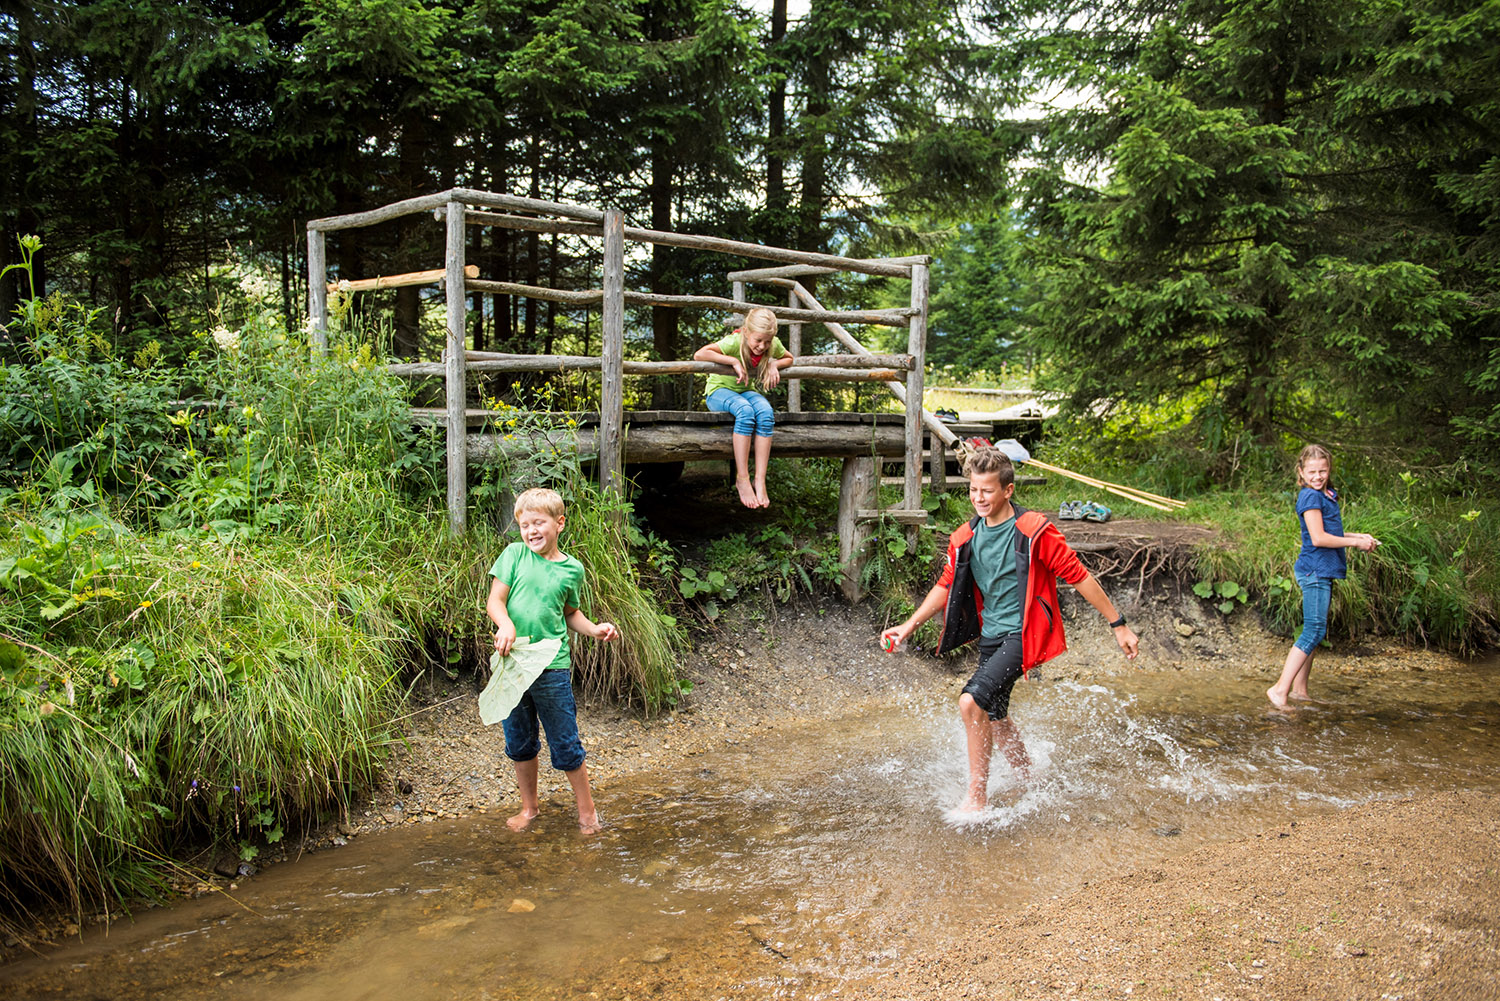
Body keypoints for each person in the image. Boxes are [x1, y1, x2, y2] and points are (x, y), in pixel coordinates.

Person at [881, 446, 1140, 812]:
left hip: (1024, 634)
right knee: (997, 717)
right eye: (973, 490)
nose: (978, 498)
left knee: (971, 702)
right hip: (992, 636)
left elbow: (1078, 576)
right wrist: (908, 627)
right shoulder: (965, 536)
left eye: (987, 490)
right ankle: (1029, 778)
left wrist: (1118, 625)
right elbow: (945, 584)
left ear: (1008, 491)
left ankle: (976, 798)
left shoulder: (1034, 531)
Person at [486, 487, 620, 833]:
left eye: (539, 522)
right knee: (518, 740)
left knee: (564, 741)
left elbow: (570, 613)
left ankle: (587, 812)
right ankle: (529, 808)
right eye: (524, 524)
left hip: (552, 667)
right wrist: (506, 625)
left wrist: (593, 630)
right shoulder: (514, 555)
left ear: (559, 523)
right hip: (513, 664)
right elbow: (495, 602)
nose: (531, 531)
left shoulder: (571, 569)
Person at [1266, 445, 1379, 709]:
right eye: (1312, 472)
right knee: (1314, 630)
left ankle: (1300, 691)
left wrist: (1357, 536)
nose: (1318, 477)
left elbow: (1330, 530)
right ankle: (1279, 689)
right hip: (1314, 569)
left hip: (1322, 569)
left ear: (1329, 470)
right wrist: (1354, 545)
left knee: (1314, 631)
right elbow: (1318, 538)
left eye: (1323, 471)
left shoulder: (1326, 495)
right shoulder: (1310, 497)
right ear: (1301, 472)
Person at [693, 306, 794, 509]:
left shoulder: (771, 344)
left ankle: (760, 479)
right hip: (718, 393)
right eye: (758, 341)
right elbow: (700, 354)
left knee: (765, 413)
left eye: (767, 342)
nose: (762, 346)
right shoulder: (734, 342)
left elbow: (789, 358)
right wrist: (731, 361)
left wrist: (774, 364)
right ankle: (742, 477)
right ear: (747, 332)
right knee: (746, 411)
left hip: (743, 392)